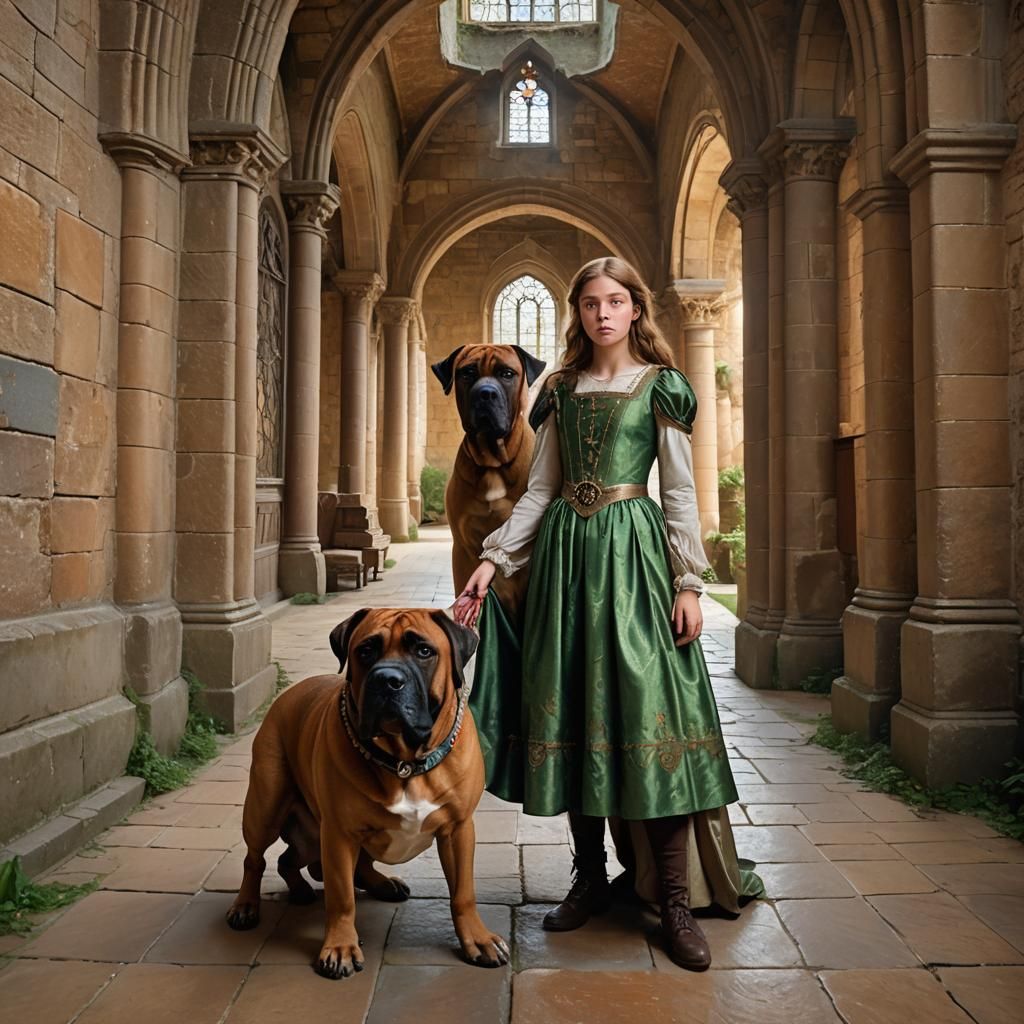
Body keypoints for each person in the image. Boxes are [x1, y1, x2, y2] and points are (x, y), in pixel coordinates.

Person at [454, 256, 762, 972]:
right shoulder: (558, 389)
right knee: (572, 714)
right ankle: (589, 879)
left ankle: (676, 903)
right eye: (590, 302)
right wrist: (494, 559)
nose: (602, 313)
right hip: (564, 565)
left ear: (634, 309)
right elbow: (540, 490)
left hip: (634, 560)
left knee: (652, 712)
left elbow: (680, 491)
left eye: (615, 301)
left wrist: (689, 582)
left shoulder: (662, 386)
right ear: (579, 312)